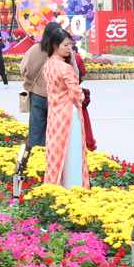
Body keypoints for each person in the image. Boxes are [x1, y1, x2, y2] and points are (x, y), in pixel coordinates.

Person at [43, 26, 90, 188]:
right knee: (72, 155)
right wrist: (81, 96)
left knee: (56, 152)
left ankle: (56, 186)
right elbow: (77, 94)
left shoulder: (48, 64)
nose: (69, 48)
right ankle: (74, 188)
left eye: (71, 45)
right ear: (55, 45)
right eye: (65, 45)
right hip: (69, 116)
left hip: (54, 115)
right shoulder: (65, 68)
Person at [20, 22, 58, 147]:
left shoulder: (35, 49)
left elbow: (23, 69)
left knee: (36, 130)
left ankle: (34, 155)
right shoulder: (63, 50)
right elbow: (75, 72)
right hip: (57, 97)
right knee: (55, 131)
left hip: (37, 95)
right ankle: (52, 154)